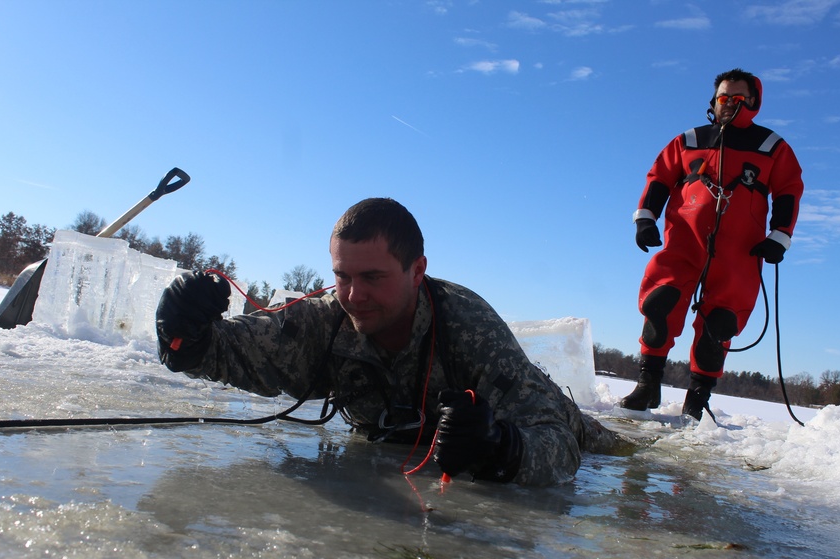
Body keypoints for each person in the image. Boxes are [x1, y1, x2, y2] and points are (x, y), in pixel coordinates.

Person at [156, 197, 621, 486]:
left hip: (559, 419)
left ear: (417, 271)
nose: (355, 296)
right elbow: (241, 352)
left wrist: (500, 447)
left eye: (374, 277)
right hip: (408, 444)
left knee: (623, 453)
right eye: (343, 276)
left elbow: (559, 445)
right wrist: (184, 335)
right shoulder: (330, 320)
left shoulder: (468, 326)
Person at [621, 68, 804, 421]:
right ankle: (648, 385)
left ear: (754, 102)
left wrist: (780, 235)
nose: (730, 105)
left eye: (739, 99)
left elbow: (789, 190)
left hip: (740, 251)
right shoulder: (688, 140)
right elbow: (659, 176)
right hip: (684, 240)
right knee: (660, 303)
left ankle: (697, 399)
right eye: (724, 98)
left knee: (720, 323)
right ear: (713, 101)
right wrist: (646, 217)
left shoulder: (773, 147)